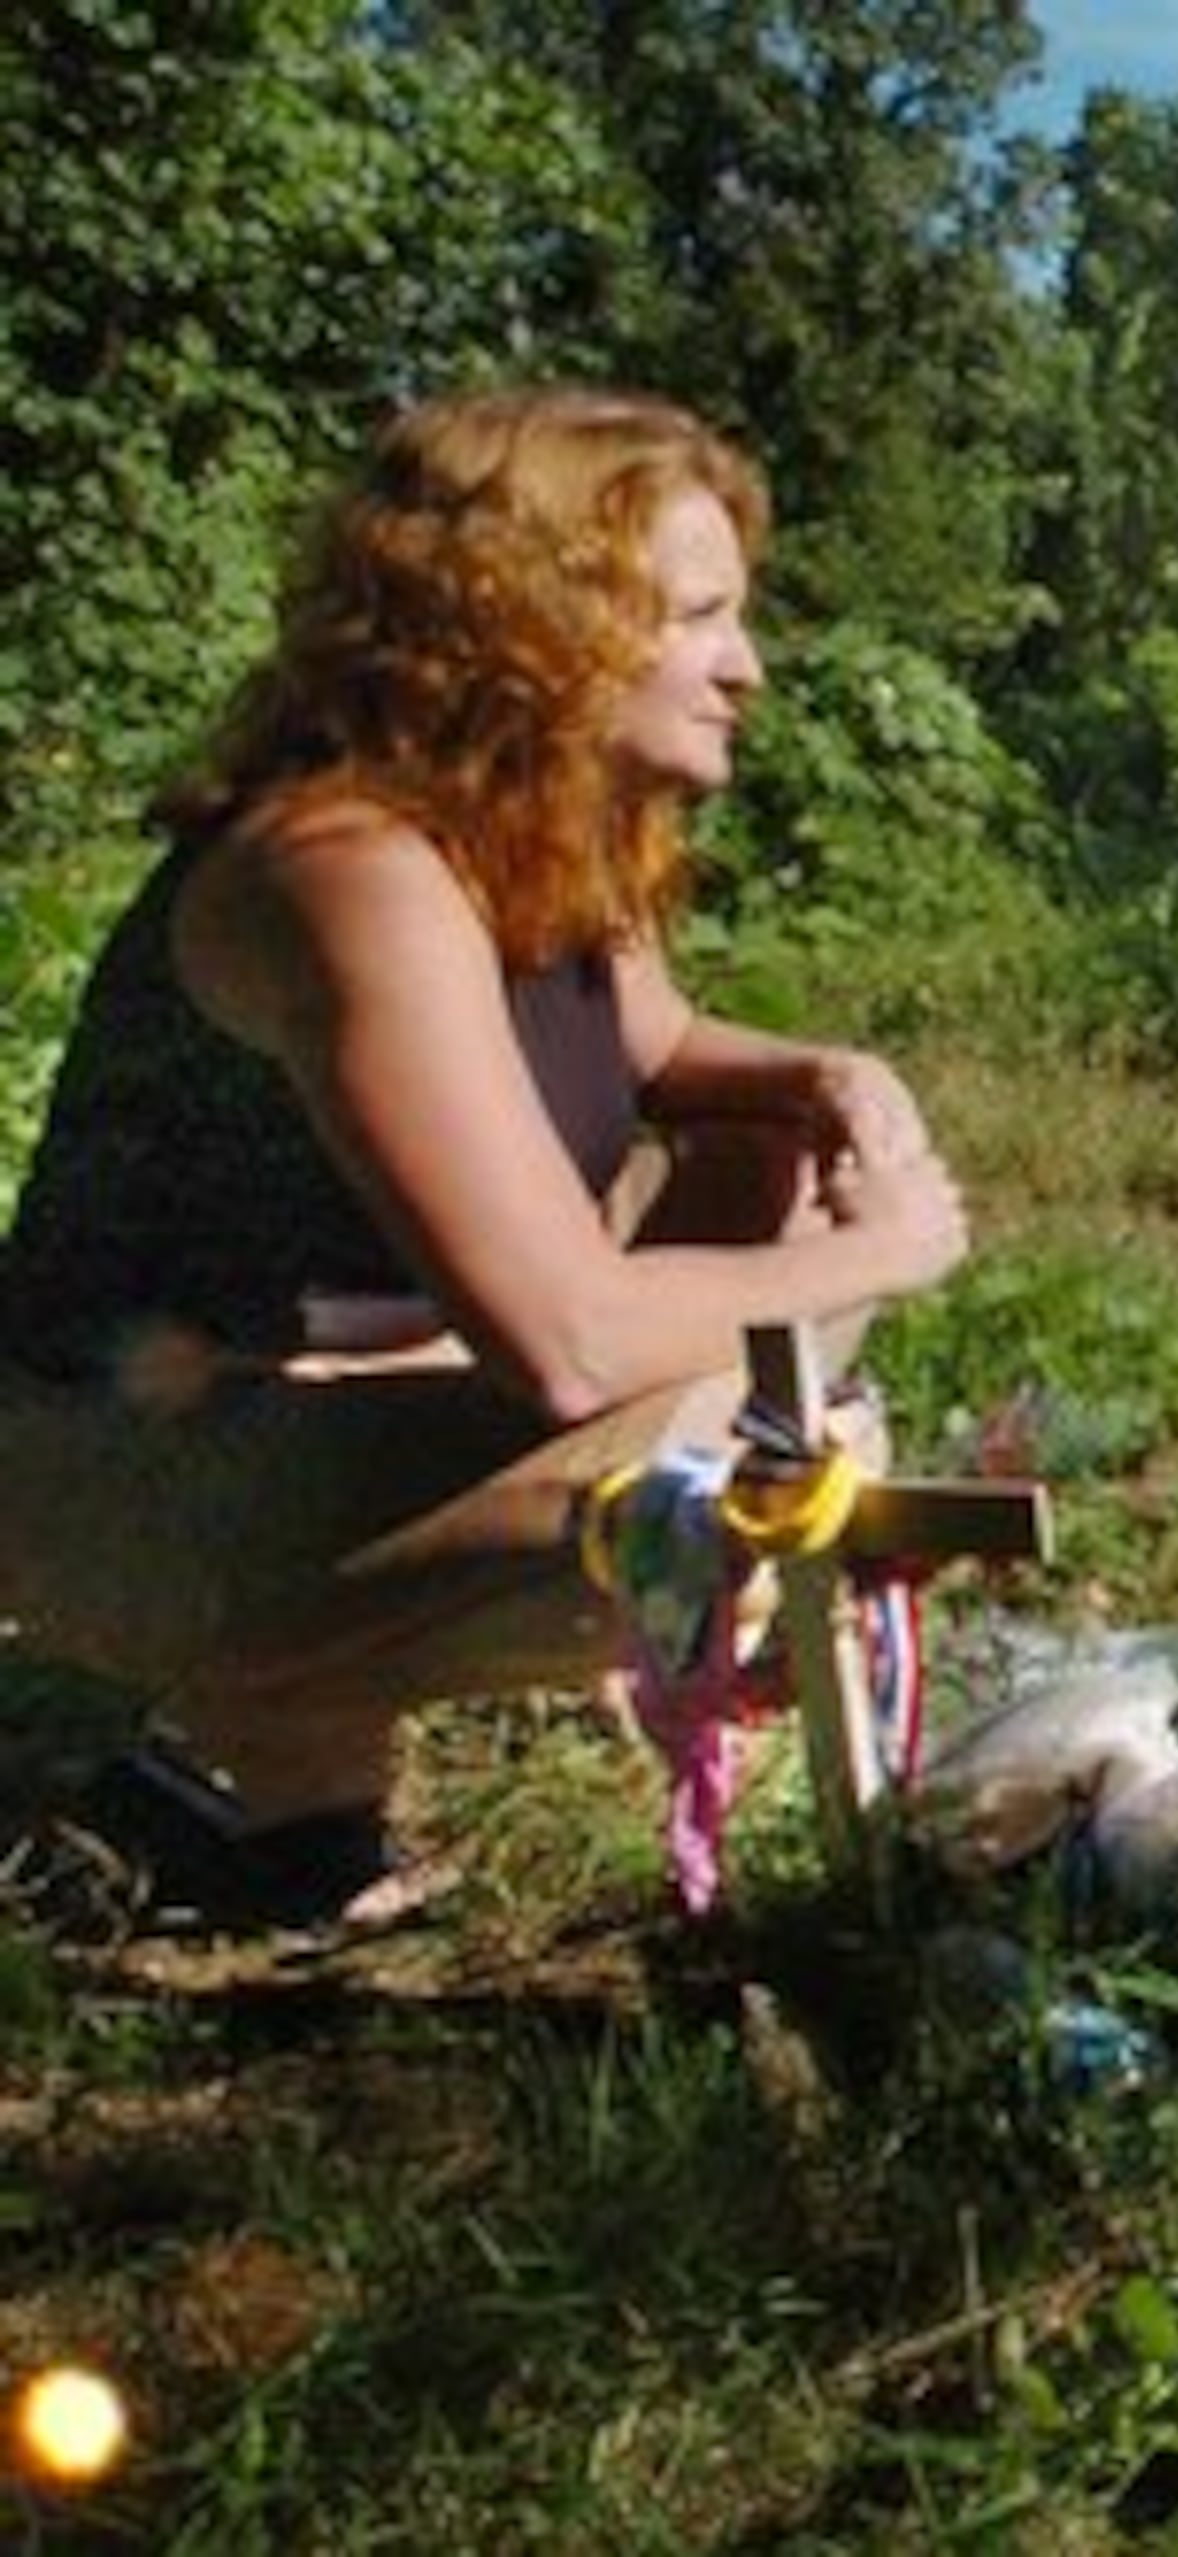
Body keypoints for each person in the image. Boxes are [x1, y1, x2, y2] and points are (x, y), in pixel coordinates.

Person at [0, 385, 971, 1931]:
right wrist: (882, 1252)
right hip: (117, 1488)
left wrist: (825, 1077)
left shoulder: (541, 833)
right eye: (705, 618)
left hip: (304, 1406)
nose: (750, 666)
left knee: (767, 1181)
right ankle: (240, 1727)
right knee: (719, 1481)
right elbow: (573, 1342)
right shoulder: (349, 871)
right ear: (542, 627)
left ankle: (277, 1773)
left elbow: (650, 1046)